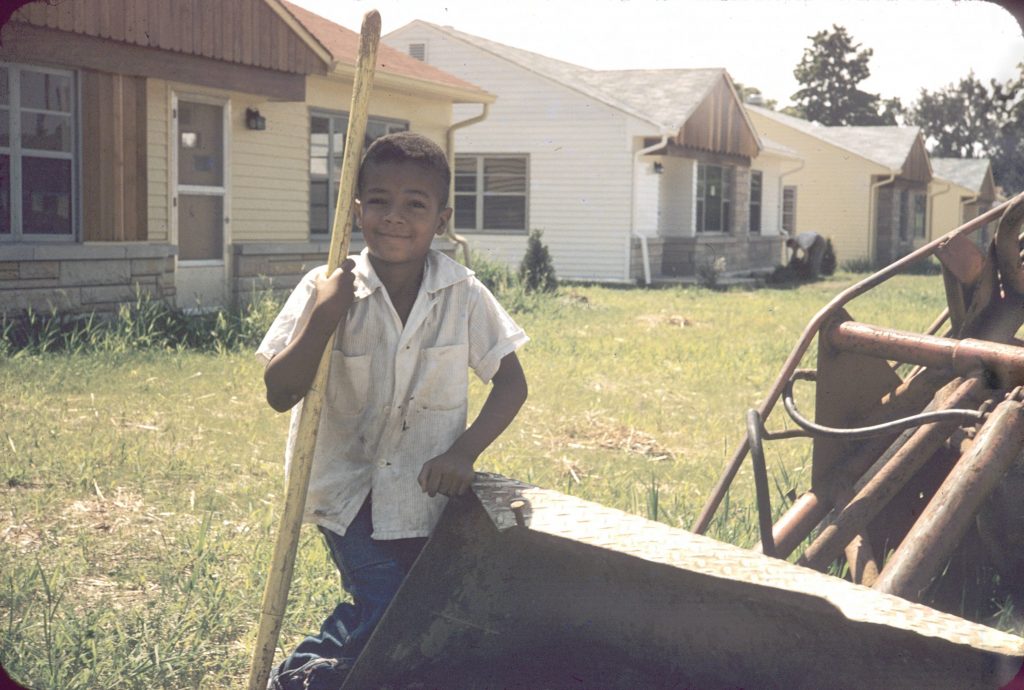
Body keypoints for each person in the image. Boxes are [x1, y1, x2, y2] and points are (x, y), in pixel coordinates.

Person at [257, 132, 529, 690]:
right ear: (355, 210)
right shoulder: (325, 286)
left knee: (411, 611)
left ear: (442, 217)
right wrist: (325, 318)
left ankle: (334, 673)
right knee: (385, 599)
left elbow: (512, 384)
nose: (395, 217)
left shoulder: (464, 294)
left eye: (415, 204)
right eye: (378, 201)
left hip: (421, 493)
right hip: (345, 489)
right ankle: (299, 680)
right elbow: (280, 392)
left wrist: (463, 452)